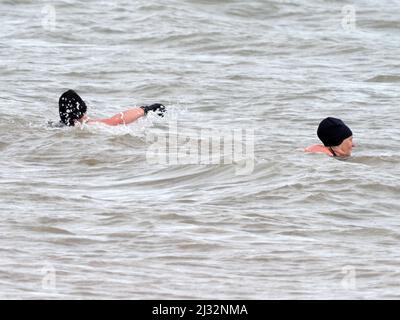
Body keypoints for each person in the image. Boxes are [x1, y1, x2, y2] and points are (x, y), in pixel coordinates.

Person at [57, 89, 165, 127]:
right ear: (82, 106)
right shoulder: (86, 124)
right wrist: (147, 109)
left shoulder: (59, 125)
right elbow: (117, 120)